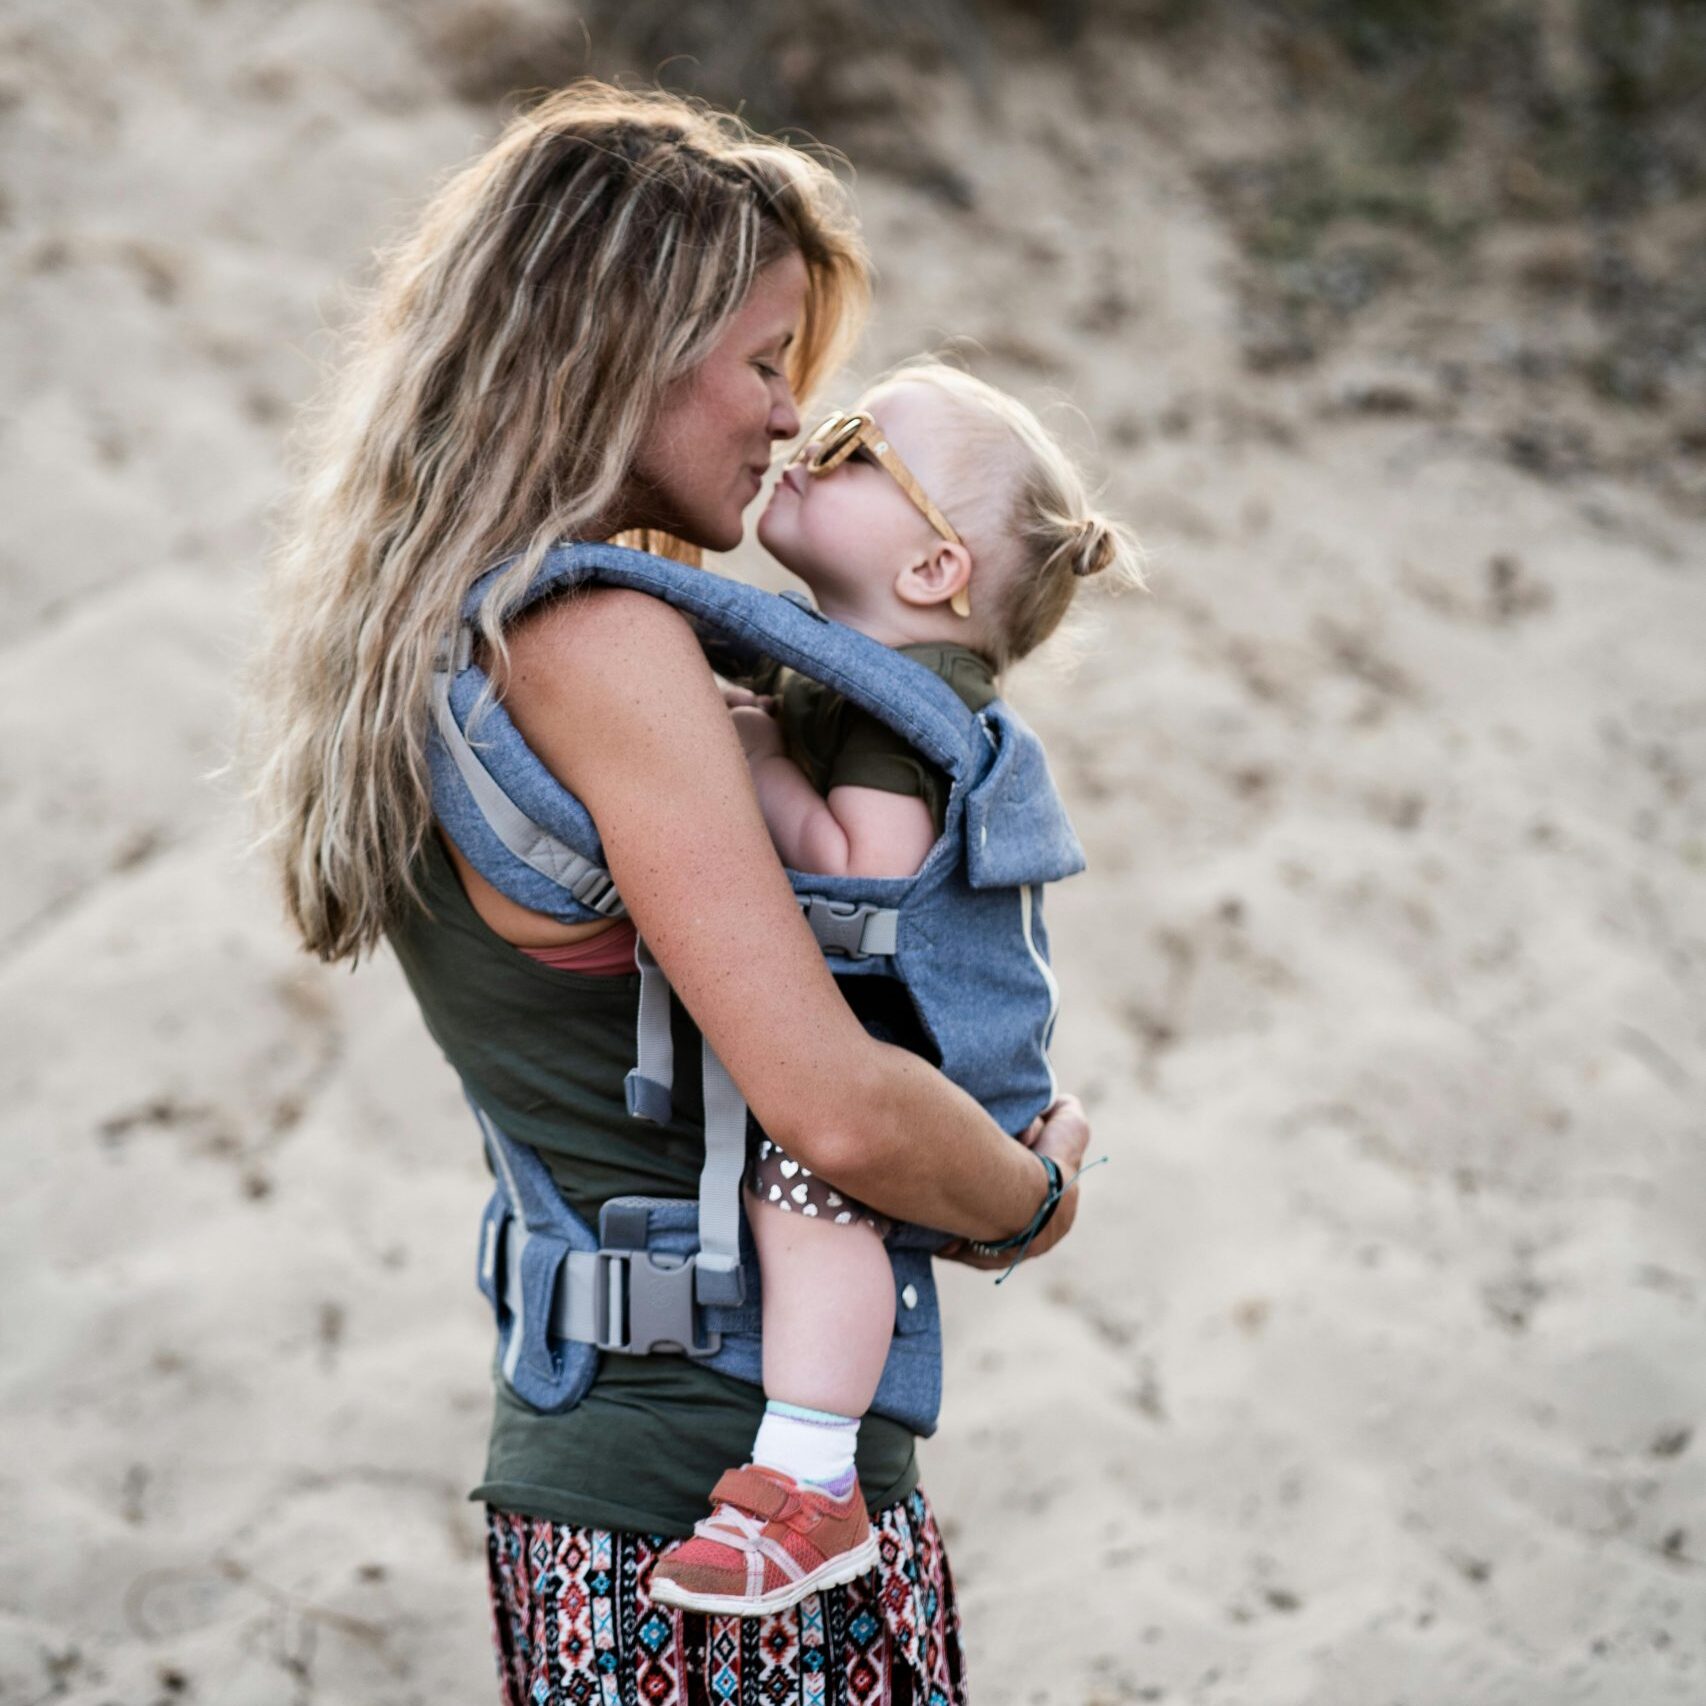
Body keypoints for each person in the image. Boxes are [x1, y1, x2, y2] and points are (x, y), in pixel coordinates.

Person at [247, 82, 1092, 1705]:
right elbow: (835, 1114)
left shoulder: (439, 637)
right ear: (622, 349)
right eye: (768, 363)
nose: (791, 417)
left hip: (579, 1482)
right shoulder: (606, 643)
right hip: (722, 1504)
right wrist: (1029, 1203)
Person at [648, 361, 1140, 1616]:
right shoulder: (850, 670)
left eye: (859, 443)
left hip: (923, 1041)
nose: (812, 440)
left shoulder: (899, 706)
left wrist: (751, 755)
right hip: (914, 1020)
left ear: (930, 573)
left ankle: (810, 1479)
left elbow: (868, 870)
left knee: (811, 1184)